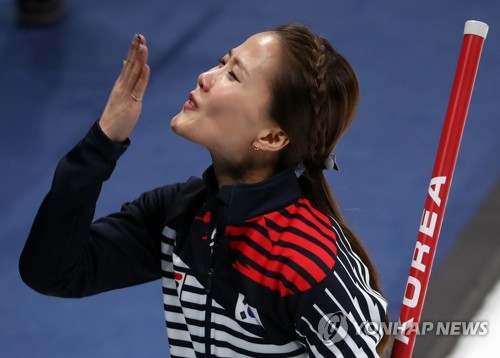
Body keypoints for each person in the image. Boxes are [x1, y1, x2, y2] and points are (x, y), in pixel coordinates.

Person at [20, 25, 389, 356]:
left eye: (234, 76)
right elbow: (53, 272)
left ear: (273, 136)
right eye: (221, 62)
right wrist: (103, 141)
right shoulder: (181, 217)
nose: (205, 77)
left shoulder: (307, 264)